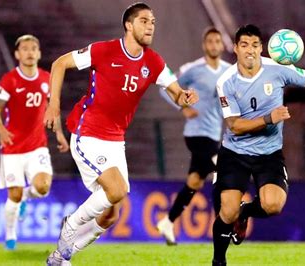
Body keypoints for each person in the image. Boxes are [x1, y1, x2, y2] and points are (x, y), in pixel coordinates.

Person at [43, 3, 198, 265]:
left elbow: (176, 93)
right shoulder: (103, 50)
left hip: (116, 140)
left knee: (110, 215)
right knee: (117, 190)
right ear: (129, 25)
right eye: (144, 21)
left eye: (153, 22)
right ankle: (70, 225)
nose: (150, 26)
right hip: (88, 132)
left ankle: (61, 256)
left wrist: (185, 97)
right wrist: (53, 104)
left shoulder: (154, 62)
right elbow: (59, 64)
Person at [211, 24, 305, 266]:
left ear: (262, 48)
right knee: (227, 211)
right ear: (235, 49)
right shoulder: (226, 81)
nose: (250, 50)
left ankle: (246, 212)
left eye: (254, 45)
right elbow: (234, 126)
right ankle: (218, 261)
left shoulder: (277, 69)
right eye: (244, 45)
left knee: (273, 206)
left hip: (269, 154)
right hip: (235, 153)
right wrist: (268, 118)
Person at [0, 34, 69, 250]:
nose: (30, 52)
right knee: (12, 195)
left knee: (42, 187)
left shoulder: (46, 79)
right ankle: (10, 235)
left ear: (39, 53)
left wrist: (59, 134)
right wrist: (1, 131)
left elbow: (53, 110)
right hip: (12, 148)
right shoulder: (9, 80)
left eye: (34, 48)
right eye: (25, 48)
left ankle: (27, 194)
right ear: (17, 54)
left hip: (37, 146)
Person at [156, 27, 231, 245]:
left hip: (215, 133)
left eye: (218, 41)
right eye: (210, 41)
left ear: (221, 45)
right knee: (222, 167)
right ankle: (224, 226)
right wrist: (183, 108)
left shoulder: (229, 71)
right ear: (204, 45)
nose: (214, 45)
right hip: (196, 133)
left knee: (195, 182)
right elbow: (165, 88)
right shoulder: (193, 69)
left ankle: (168, 222)